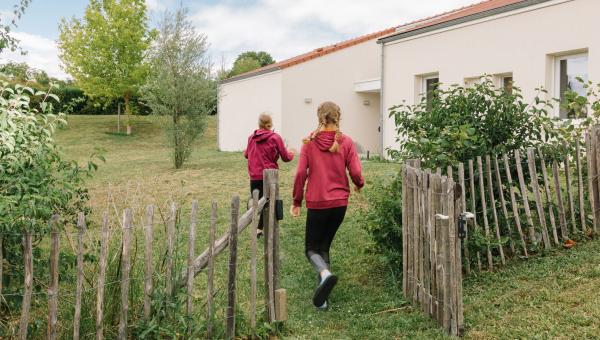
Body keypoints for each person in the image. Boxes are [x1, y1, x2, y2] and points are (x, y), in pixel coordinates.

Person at [291, 101, 364, 310]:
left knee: (311, 249)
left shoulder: (309, 143)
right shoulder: (346, 142)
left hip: (318, 203)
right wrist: (359, 184)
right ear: (338, 118)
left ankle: (325, 274)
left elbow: (299, 174)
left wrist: (296, 201)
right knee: (323, 247)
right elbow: (357, 172)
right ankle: (322, 300)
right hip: (340, 204)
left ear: (319, 117)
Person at [245, 113, 295, 236]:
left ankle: (258, 228)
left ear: (259, 124)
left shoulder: (251, 138)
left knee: (259, 202)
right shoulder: (275, 137)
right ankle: (261, 228)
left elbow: (246, 155)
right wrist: (292, 153)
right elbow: (286, 157)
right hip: (269, 175)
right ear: (270, 124)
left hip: (254, 176)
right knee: (268, 202)